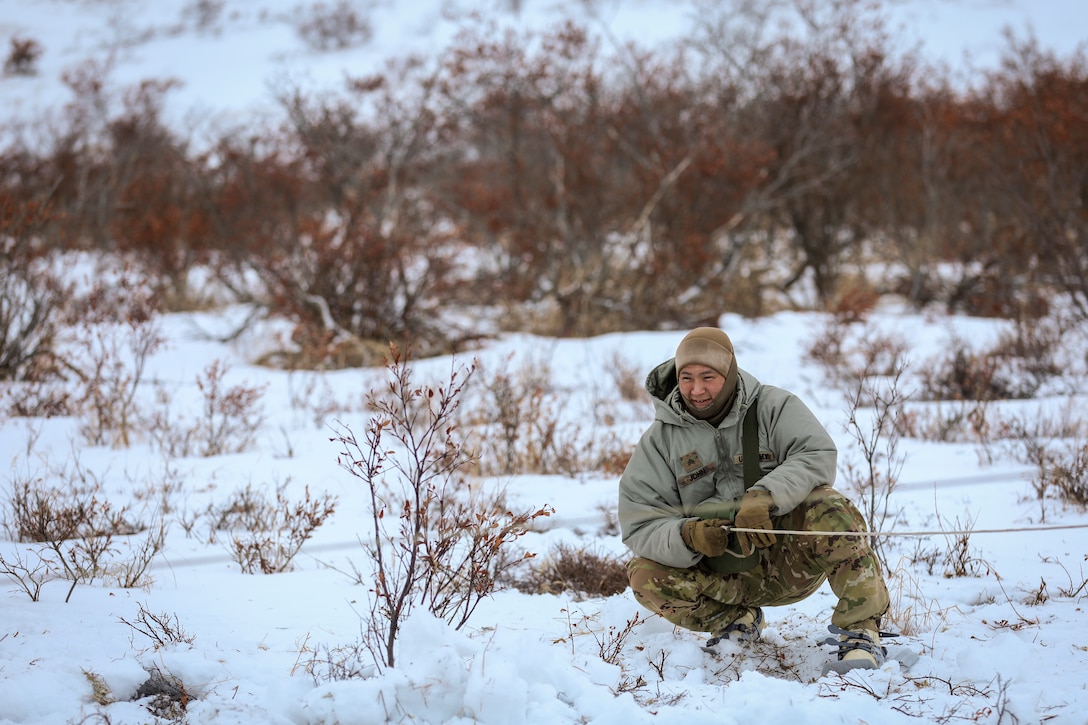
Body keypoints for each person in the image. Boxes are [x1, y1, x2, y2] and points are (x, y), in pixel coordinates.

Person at [618, 327, 892, 674]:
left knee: (830, 508)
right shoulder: (660, 441)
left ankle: (861, 631)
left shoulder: (774, 407)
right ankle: (738, 621)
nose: (696, 389)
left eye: (708, 377)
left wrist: (765, 495)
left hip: (791, 562)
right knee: (644, 574)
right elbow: (639, 521)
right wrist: (687, 536)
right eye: (686, 378)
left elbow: (817, 453)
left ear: (730, 373)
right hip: (720, 574)